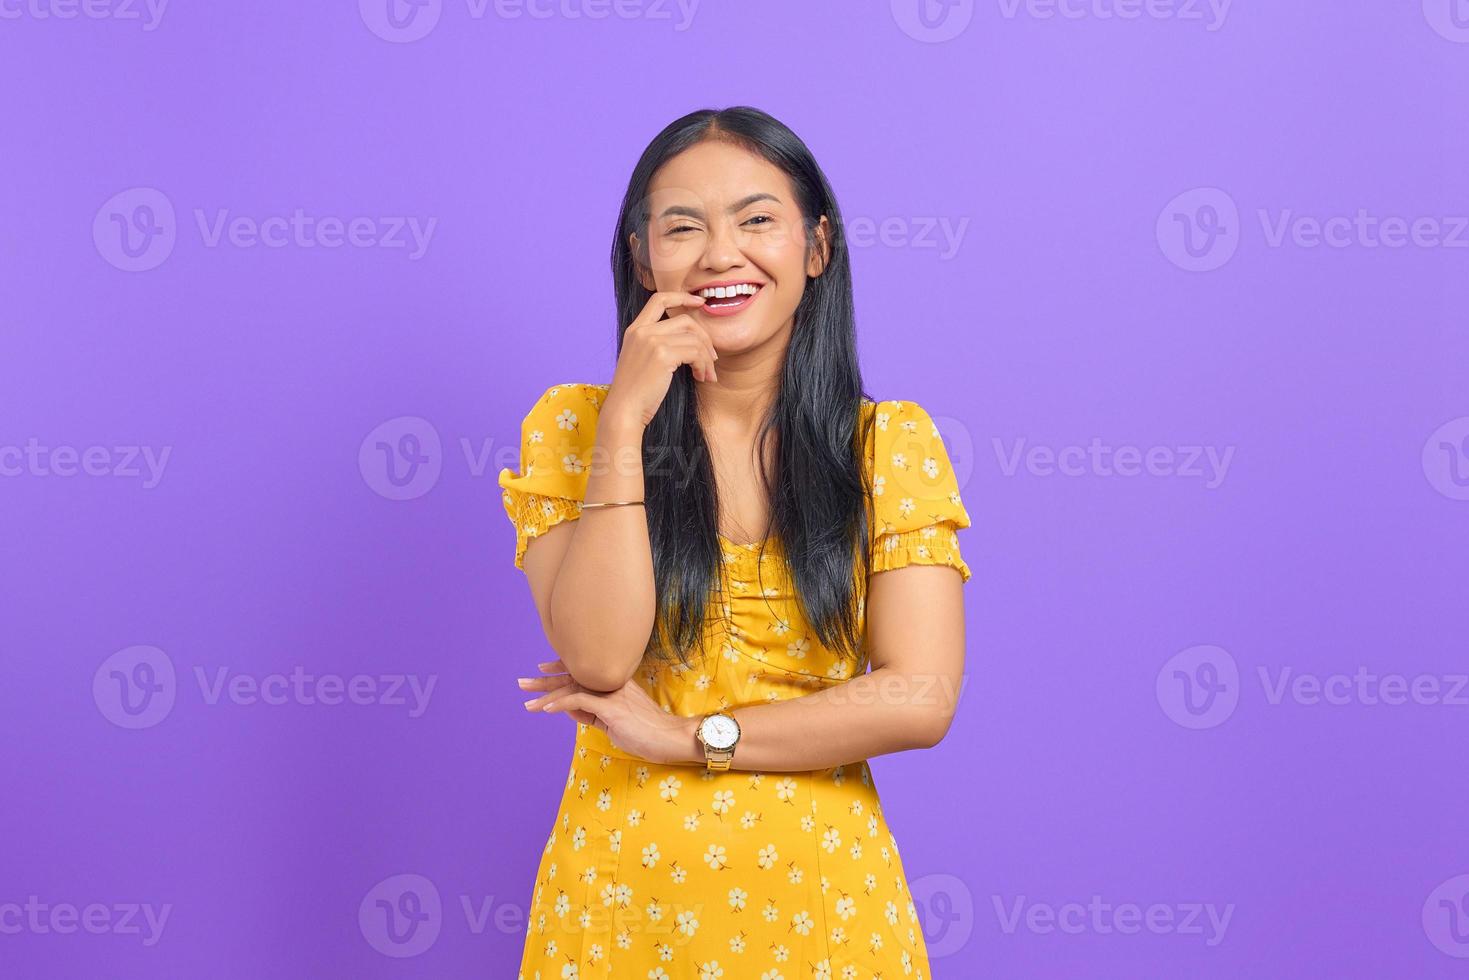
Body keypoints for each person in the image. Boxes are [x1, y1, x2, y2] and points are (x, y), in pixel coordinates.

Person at [498, 105, 971, 979]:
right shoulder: (572, 427)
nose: (721, 255)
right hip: (616, 910)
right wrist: (624, 422)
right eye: (683, 227)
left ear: (815, 248)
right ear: (643, 258)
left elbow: (919, 697)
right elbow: (600, 659)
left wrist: (690, 740)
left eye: (757, 220)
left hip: (826, 912)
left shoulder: (884, 446)